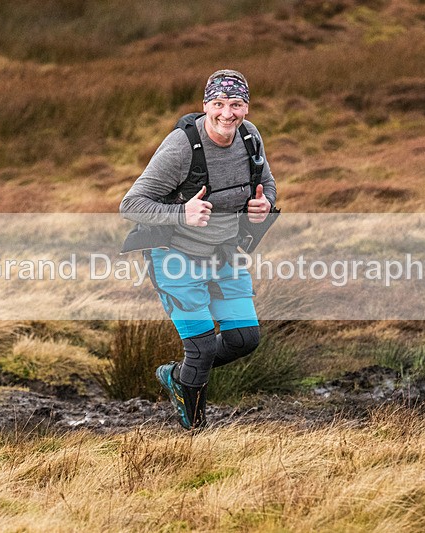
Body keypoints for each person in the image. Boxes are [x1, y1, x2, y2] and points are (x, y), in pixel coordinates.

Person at [119, 69, 277, 430]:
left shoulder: (251, 138)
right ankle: (197, 433)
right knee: (202, 348)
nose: (227, 114)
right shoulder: (180, 147)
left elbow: (267, 184)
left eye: (235, 105)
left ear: (247, 108)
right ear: (205, 105)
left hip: (224, 253)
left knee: (243, 338)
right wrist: (182, 212)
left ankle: (178, 376)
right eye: (218, 104)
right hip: (173, 256)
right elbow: (130, 204)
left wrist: (264, 203)